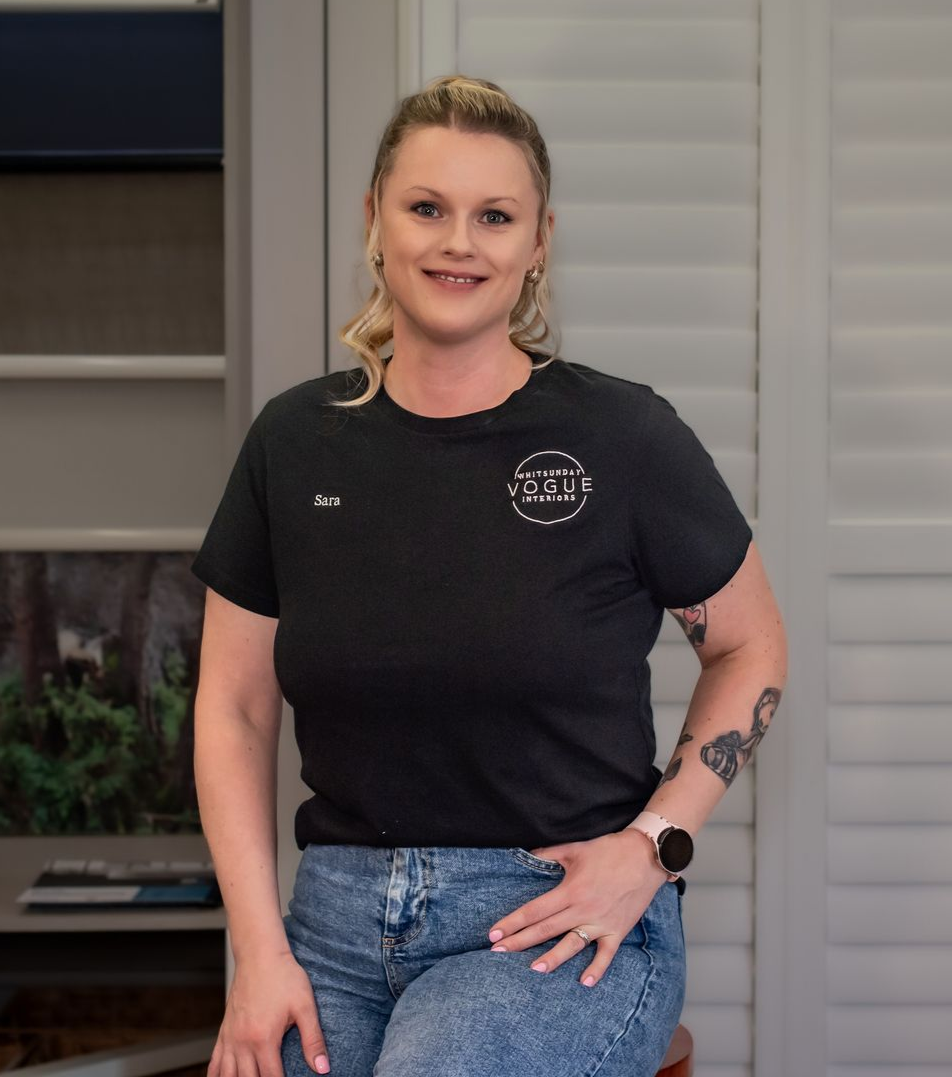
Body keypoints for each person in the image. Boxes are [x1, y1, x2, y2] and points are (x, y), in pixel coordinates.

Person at [190, 75, 788, 1077]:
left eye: (495, 216)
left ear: (539, 240)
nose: (457, 242)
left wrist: (653, 846)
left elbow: (750, 647)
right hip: (331, 923)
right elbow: (234, 707)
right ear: (375, 220)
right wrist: (258, 955)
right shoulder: (293, 443)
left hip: (556, 919)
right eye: (426, 207)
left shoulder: (623, 437)